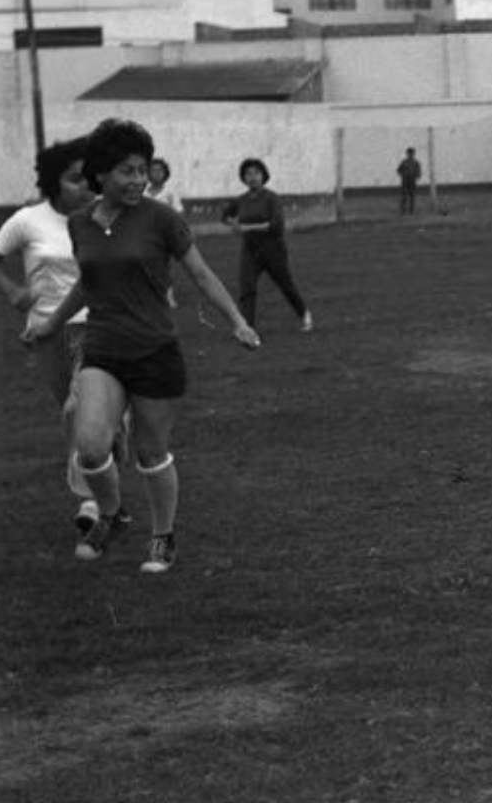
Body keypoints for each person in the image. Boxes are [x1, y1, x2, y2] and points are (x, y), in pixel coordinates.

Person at [24, 119, 260, 574]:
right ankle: (113, 514)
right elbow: (88, 284)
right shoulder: (80, 224)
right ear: (101, 175)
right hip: (102, 349)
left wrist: (237, 321)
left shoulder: (161, 218)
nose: (138, 180)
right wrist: (53, 323)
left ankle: (162, 537)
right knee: (91, 446)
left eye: (142, 170)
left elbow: (202, 273)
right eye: (126, 171)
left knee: (151, 452)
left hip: (155, 351)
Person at [0, 136, 133, 538]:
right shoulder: (27, 221)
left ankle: (91, 502)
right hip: (48, 332)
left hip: (102, 325)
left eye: (89, 179)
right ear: (54, 182)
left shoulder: (105, 217)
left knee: (78, 409)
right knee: (83, 416)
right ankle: (112, 465)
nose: (85, 187)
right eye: (75, 179)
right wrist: (14, 293)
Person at [221, 157, 313, 332]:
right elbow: (225, 217)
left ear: (264, 176)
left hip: (273, 250)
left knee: (285, 285)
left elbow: (276, 225)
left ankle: (304, 313)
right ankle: (247, 327)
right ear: (243, 178)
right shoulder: (241, 200)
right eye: (248, 174)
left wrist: (247, 227)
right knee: (246, 287)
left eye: (256, 173)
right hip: (250, 250)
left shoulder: (272, 198)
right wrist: (233, 224)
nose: (252, 177)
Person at [396, 147, 424, 215]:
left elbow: (419, 171)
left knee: (412, 196)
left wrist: (417, 176)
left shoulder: (416, 162)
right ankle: (403, 211)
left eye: (412, 153)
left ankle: (411, 211)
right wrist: (403, 175)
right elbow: (399, 170)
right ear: (407, 154)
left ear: (414, 154)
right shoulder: (404, 162)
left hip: (412, 180)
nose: (411, 155)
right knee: (404, 196)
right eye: (409, 153)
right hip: (405, 180)